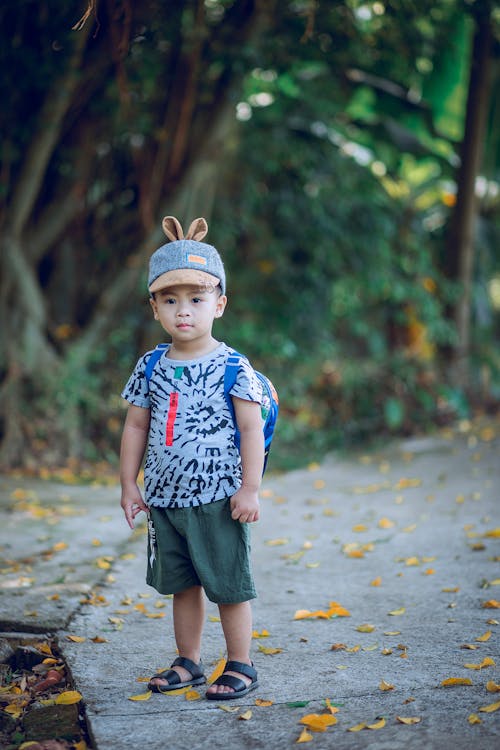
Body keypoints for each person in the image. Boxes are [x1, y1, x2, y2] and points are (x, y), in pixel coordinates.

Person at [119, 215, 264, 700]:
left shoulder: (232, 365)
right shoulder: (152, 365)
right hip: (165, 498)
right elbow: (136, 425)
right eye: (171, 300)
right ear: (155, 307)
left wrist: (250, 488)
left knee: (228, 584)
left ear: (219, 304)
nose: (185, 311)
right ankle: (190, 661)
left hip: (219, 497)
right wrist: (128, 485)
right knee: (183, 584)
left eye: (197, 299)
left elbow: (251, 428)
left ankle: (240, 664)